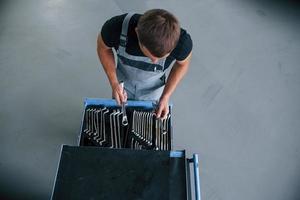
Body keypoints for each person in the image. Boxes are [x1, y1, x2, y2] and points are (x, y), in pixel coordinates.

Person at [97, 9, 192, 119]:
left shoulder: (182, 42)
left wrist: (166, 96)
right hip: (122, 84)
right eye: (151, 56)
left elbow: (182, 64)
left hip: (154, 89)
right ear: (138, 33)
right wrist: (114, 83)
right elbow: (103, 48)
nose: (155, 62)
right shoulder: (116, 27)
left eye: (161, 58)